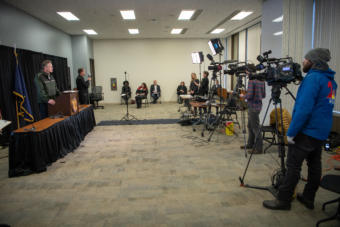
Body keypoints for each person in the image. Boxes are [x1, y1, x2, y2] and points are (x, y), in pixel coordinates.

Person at [263, 48, 337, 210]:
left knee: (293, 167)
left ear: (314, 61)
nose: (303, 61)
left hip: (306, 132)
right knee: (314, 165)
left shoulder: (313, 79)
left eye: (306, 59)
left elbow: (304, 109)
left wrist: (291, 133)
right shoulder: (330, 80)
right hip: (321, 131)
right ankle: (309, 198)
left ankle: (283, 200)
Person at [241, 65, 266, 154]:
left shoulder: (251, 81)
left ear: (249, 71)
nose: (246, 74)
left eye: (246, 72)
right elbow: (263, 95)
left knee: (255, 128)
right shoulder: (262, 80)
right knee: (250, 126)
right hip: (258, 106)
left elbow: (250, 95)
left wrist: (243, 96)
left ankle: (259, 148)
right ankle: (250, 144)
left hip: (252, 106)